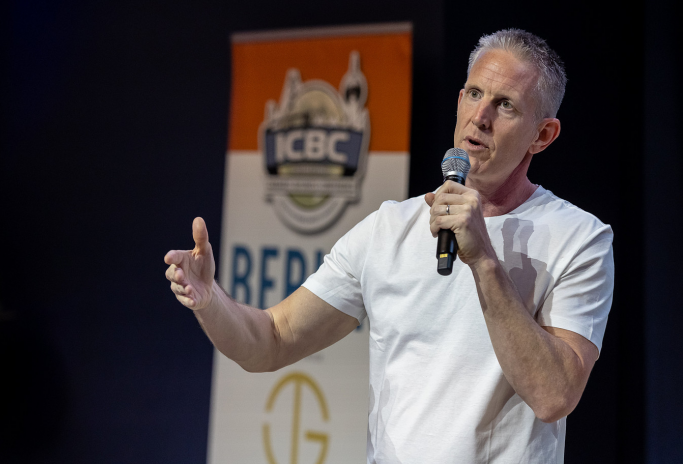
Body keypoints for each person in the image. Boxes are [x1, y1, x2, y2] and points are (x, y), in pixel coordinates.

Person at [165, 29, 614, 463]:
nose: (481, 117)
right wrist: (210, 301)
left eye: (506, 105)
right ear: (459, 101)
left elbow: (554, 396)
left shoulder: (579, 238)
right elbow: (273, 339)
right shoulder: (388, 228)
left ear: (542, 135)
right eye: (475, 94)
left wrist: (483, 261)